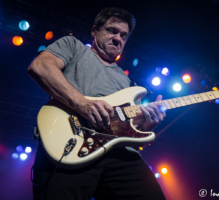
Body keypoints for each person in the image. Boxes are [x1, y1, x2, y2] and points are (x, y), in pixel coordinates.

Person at [27, 7, 166, 200]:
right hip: (71, 145)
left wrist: (149, 124)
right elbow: (40, 67)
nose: (118, 38)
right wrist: (82, 104)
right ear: (94, 31)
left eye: (124, 36)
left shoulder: (131, 84)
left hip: (122, 156)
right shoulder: (73, 46)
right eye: (112, 31)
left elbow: (133, 129)